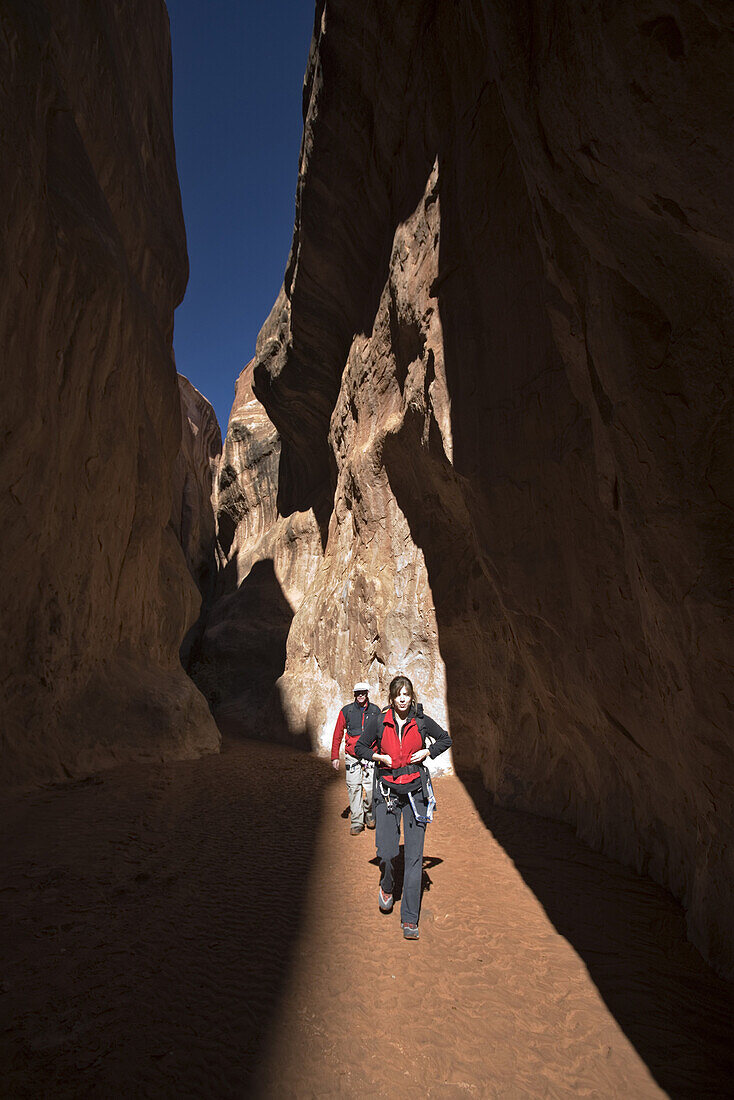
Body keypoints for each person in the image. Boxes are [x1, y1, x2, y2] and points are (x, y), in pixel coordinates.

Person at [355, 674, 451, 940]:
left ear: (411, 697)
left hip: (416, 796)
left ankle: (409, 919)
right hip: (387, 793)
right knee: (386, 852)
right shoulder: (378, 722)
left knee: (414, 858)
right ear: (392, 697)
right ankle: (387, 885)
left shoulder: (421, 722)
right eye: (398, 694)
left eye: (406, 694)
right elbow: (359, 747)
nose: (402, 698)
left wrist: (428, 752)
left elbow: (445, 739)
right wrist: (378, 756)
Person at [331, 682, 381, 834]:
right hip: (352, 756)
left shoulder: (375, 711)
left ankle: (370, 815)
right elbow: (338, 733)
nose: (360, 695)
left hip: (370, 756)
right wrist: (334, 756)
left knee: (372, 789)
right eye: (358, 692)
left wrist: (381, 755)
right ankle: (357, 821)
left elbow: (381, 733)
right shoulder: (346, 711)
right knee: (354, 788)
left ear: (367, 693)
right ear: (354, 694)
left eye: (363, 692)